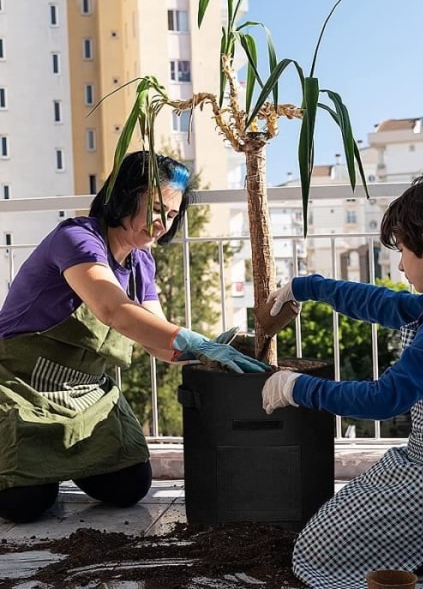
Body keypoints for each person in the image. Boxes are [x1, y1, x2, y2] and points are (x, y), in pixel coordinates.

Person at [262, 173, 423, 588]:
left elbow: (388, 397)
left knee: (320, 550)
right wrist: (305, 286)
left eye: (403, 250)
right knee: (339, 519)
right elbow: (377, 301)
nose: (401, 264)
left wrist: (297, 387)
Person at [0, 150, 269, 524]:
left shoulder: (141, 262)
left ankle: (51, 464)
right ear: (126, 194)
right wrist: (191, 339)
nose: (162, 225)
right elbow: (113, 310)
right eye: (157, 209)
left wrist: (205, 352)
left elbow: (154, 339)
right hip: (21, 386)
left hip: (85, 392)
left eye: (172, 216)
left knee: (130, 486)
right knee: (23, 505)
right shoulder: (77, 239)